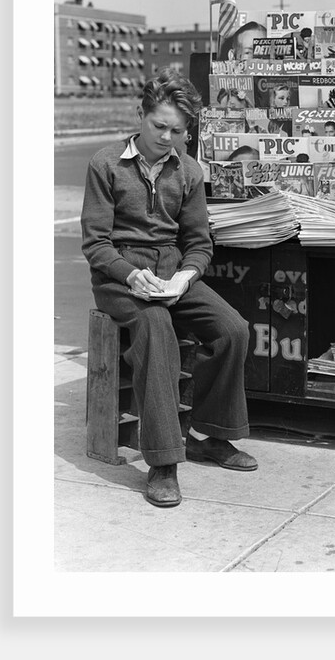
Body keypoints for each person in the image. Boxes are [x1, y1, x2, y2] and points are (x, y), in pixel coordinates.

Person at [81, 68, 257, 509]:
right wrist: (128, 274)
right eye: (159, 125)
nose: (167, 137)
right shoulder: (105, 164)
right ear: (140, 115)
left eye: (177, 130)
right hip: (117, 276)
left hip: (170, 273)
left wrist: (187, 275)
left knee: (232, 329)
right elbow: (96, 244)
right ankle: (163, 463)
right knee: (156, 330)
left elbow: (199, 242)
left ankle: (210, 437)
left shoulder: (190, 171)